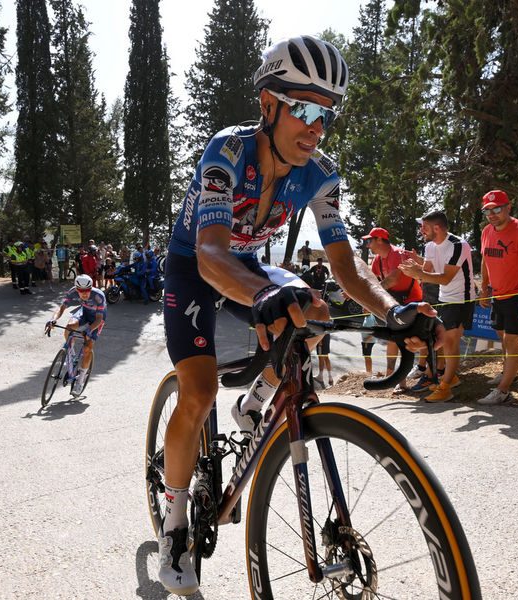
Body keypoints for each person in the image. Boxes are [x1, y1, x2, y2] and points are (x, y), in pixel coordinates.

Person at [157, 35, 442, 596]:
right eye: (305, 110)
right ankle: (174, 524)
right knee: (198, 392)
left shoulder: (321, 173)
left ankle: (257, 401)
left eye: (326, 116)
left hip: (243, 262)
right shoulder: (228, 152)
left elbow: (347, 267)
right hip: (195, 263)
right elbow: (211, 253)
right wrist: (261, 294)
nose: (316, 128)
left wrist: (394, 311)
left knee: (313, 308)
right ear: (268, 105)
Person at [399, 210, 476, 402]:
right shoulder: (430, 246)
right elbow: (428, 271)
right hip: (443, 299)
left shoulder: (458, 245)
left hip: (461, 300)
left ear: (437, 228)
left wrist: (418, 273)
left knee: (449, 343)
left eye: (424, 227)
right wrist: (416, 268)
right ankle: (451, 378)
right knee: (440, 341)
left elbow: (445, 278)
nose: (421, 231)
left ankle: (445, 388)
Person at [477, 189, 518, 405]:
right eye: (487, 211)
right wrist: (484, 289)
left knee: (512, 340)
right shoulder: (487, 231)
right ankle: (510, 374)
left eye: (497, 209)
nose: (492, 214)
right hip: (498, 294)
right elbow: (485, 260)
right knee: (502, 336)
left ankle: (503, 390)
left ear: (508, 208)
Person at [363, 226, 424, 392]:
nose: (367, 245)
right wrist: (362, 297)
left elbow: (393, 279)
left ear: (380, 240)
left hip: (411, 303)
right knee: (392, 339)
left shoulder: (397, 254)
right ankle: (393, 377)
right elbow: (370, 280)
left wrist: (371, 296)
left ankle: (406, 378)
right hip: (395, 303)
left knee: (406, 341)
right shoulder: (378, 259)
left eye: (369, 241)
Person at [46, 274, 107, 396]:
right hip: (84, 312)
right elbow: (61, 308)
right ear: (77, 289)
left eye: (87, 290)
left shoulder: (99, 296)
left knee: (87, 347)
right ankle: (71, 353)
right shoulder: (72, 291)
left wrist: (89, 330)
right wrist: (53, 319)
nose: (84, 294)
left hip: (97, 319)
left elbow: (99, 319)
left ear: (91, 288)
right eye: (81, 291)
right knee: (69, 326)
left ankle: (81, 380)